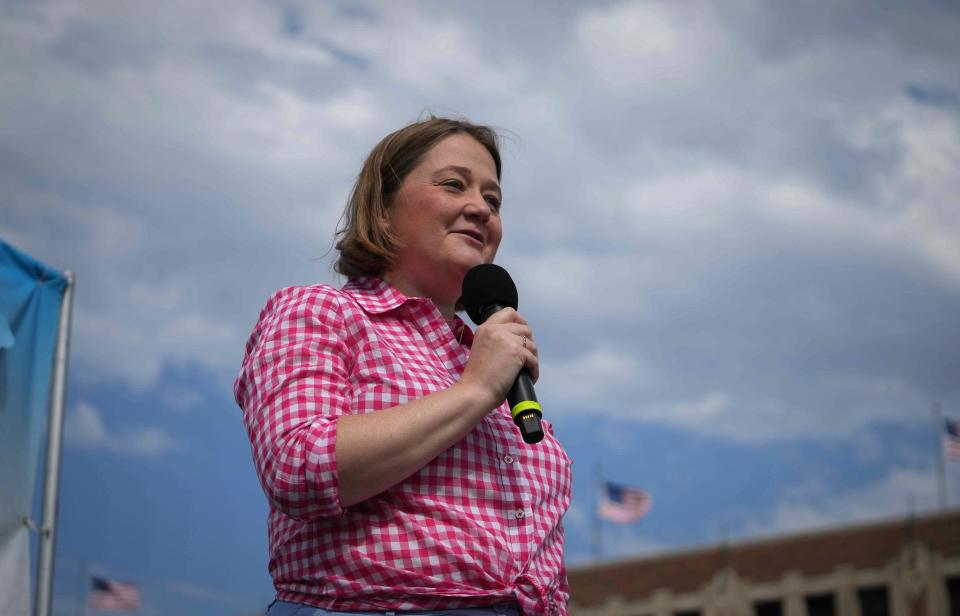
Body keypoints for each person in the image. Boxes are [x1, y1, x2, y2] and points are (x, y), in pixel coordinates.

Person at [234, 117, 572, 616]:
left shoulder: (487, 360)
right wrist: (474, 391)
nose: (480, 208)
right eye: (454, 184)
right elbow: (296, 467)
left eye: (494, 200)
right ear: (384, 210)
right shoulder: (322, 312)